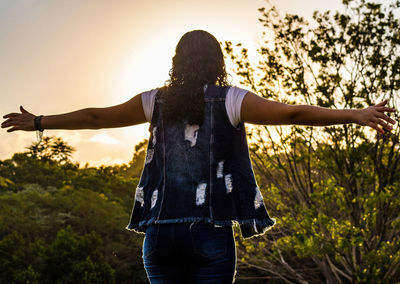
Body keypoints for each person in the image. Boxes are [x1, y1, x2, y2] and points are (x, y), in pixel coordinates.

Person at [1, 30, 397, 283]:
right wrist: (356, 115)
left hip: (159, 233)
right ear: (217, 62)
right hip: (210, 233)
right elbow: (293, 113)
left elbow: (95, 117)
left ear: (176, 61)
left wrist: (37, 120)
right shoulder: (232, 99)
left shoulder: (154, 101)